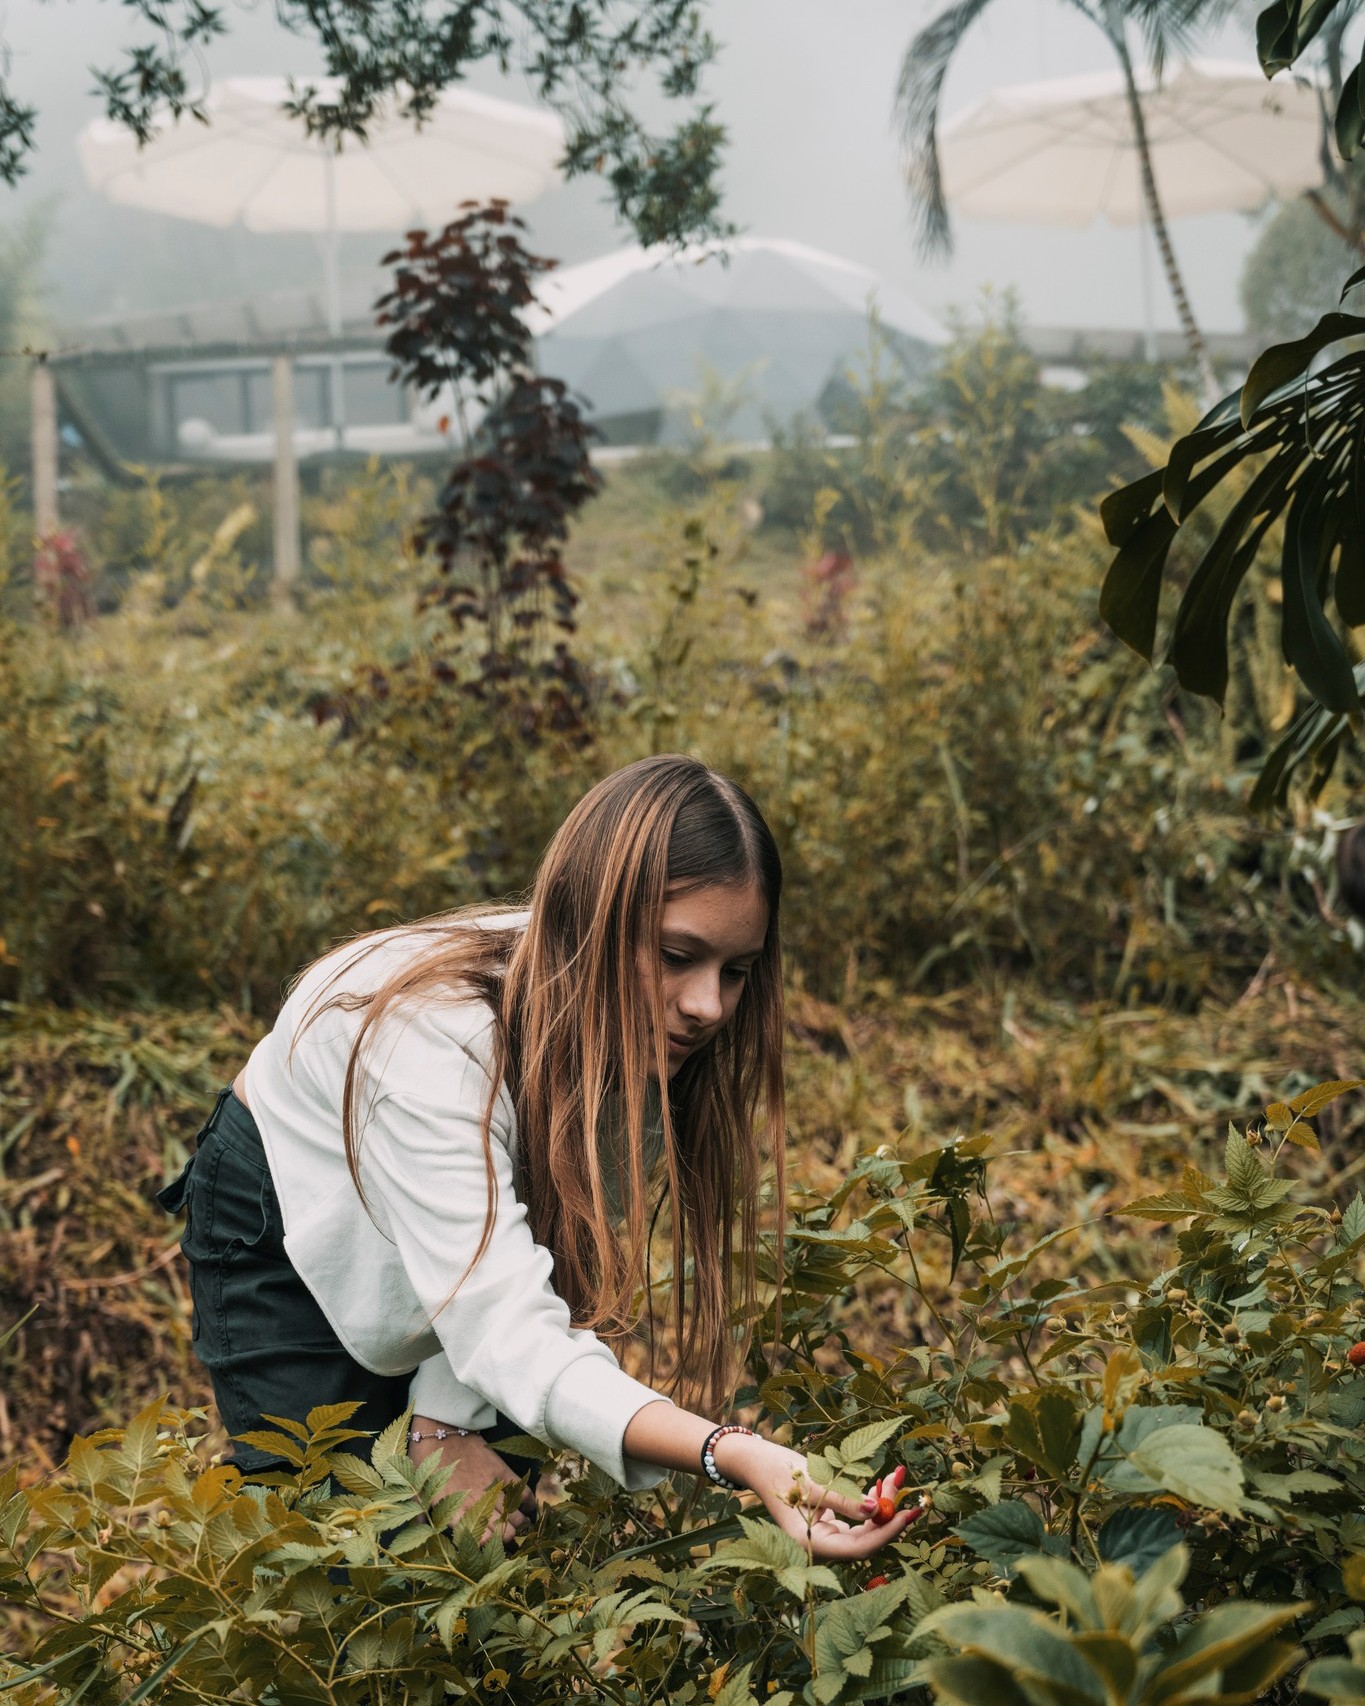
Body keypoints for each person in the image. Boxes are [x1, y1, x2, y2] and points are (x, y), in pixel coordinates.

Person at [158, 755, 912, 1560]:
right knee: (333, 1551)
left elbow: (543, 1245)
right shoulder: (431, 1041)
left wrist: (444, 1418)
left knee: (475, 1542)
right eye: (676, 955)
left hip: (464, 1219)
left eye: (736, 971)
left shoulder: (648, 1038)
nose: (707, 1006)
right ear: (590, 924)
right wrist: (735, 1452)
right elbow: (504, 1325)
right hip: (294, 1209)